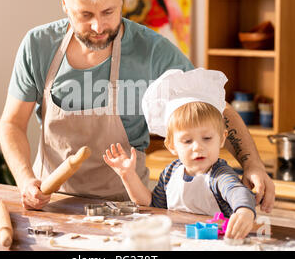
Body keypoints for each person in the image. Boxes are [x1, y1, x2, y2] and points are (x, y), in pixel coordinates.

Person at [0, 0, 274, 212]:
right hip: (53, 204)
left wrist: (252, 165)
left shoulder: (152, 50)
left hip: (129, 208)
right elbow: (12, 123)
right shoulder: (38, 45)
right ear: (64, 4)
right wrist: (25, 180)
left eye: (108, 12)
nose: (98, 27)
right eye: (85, 15)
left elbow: (216, 108)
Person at [103, 68, 256, 239]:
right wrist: (128, 175)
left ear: (221, 139)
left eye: (207, 138)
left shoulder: (219, 174)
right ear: (171, 146)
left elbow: (237, 192)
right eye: (187, 141)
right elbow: (152, 205)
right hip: (178, 242)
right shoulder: (170, 173)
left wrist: (244, 211)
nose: (198, 147)